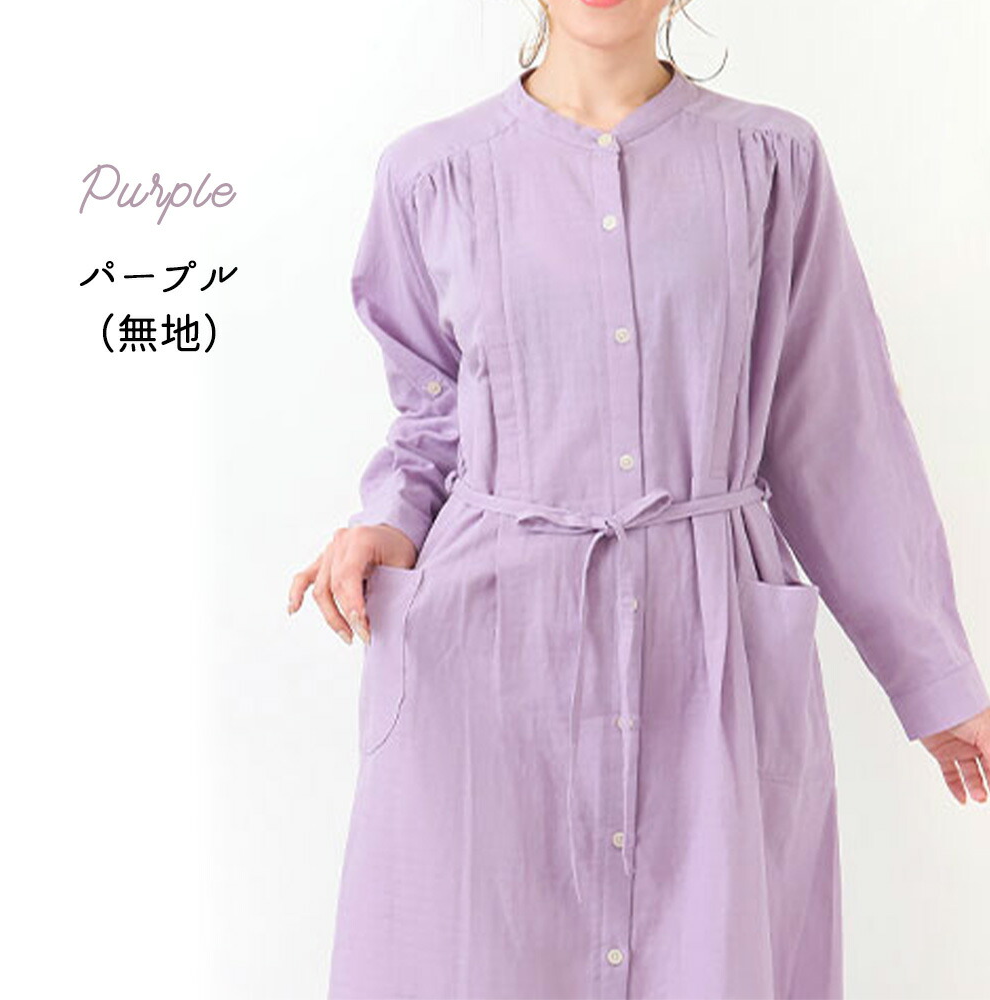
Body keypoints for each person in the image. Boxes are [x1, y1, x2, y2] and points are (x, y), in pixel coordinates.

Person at [289, 2, 990, 997]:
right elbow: (431, 415)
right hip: (490, 653)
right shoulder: (432, 173)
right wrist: (387, 524)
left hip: (708, 642)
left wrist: (935, 679)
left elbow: (835, 427)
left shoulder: (770, 162)